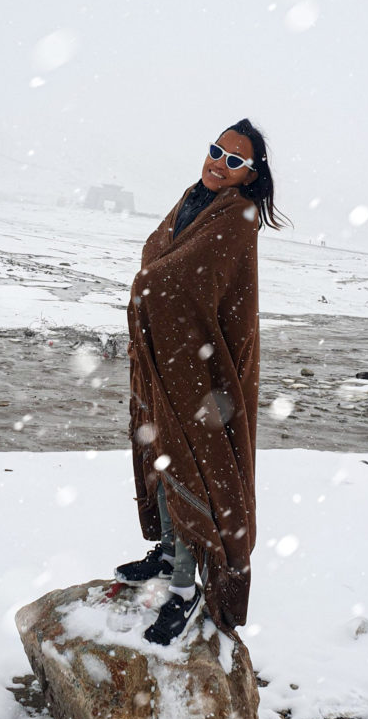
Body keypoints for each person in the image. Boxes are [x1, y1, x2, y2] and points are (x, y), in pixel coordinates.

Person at [115, 119, 286, 645]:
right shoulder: (193, 198)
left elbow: (182, 280)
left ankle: (187, 589)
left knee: (198, 466)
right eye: (217, 151)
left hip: (205, 373)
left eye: (235, 160)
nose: (219, 163)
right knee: (164, 451)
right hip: (171, 361)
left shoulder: (237, 217)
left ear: (249, 174)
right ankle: (169, 552)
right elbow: (161, 257)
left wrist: (149, 287)